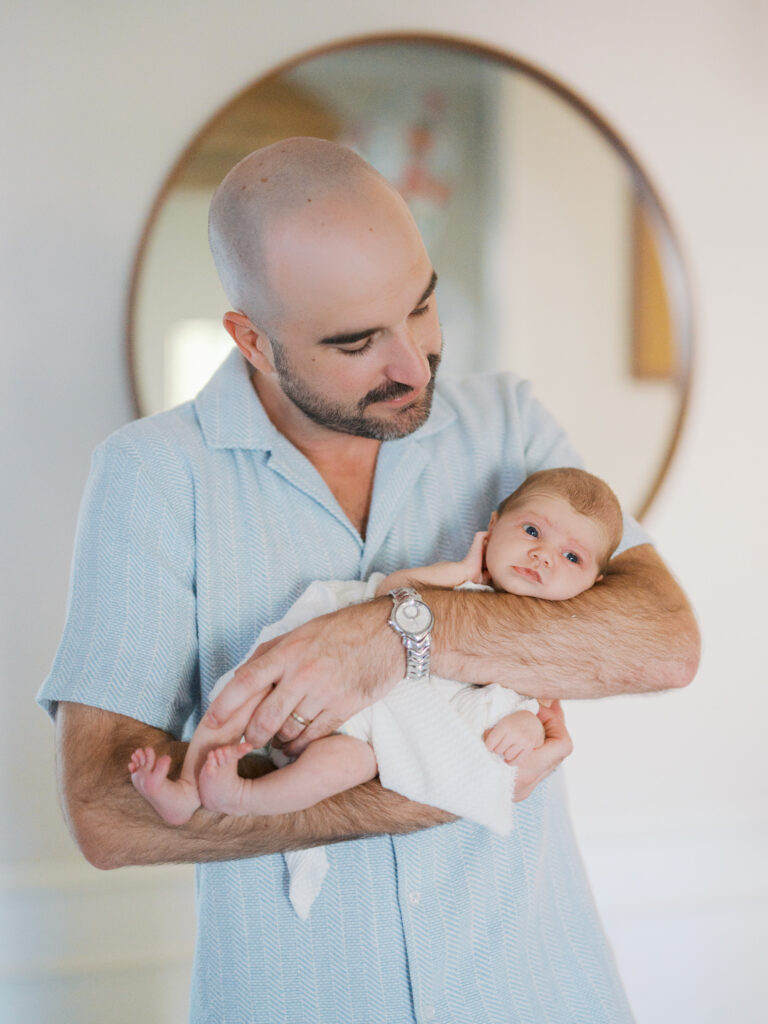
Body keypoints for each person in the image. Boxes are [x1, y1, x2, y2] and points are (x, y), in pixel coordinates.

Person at [39, 138, 699, 1023]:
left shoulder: (507, 424)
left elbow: (664, 642)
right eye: (356, 342)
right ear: (252, 341)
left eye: (421, 307)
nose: (415, 365)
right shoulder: (153, 476)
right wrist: (441, 788)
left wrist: (398, 633)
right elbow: (107, 814)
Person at [128, 466, 622, 826]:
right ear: (493, 529)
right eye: (532, 531)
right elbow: (393, 593)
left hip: (371, 734)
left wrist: (525, 728)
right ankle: (186, 787)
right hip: (319, 679)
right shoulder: (460, 582)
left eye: (571, 557)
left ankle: (242, 797)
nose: (543, 555)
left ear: (593, 584)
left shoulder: (555, 640)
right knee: (246, 691)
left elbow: (534, 710)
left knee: (347, 765)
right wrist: (456, 573)